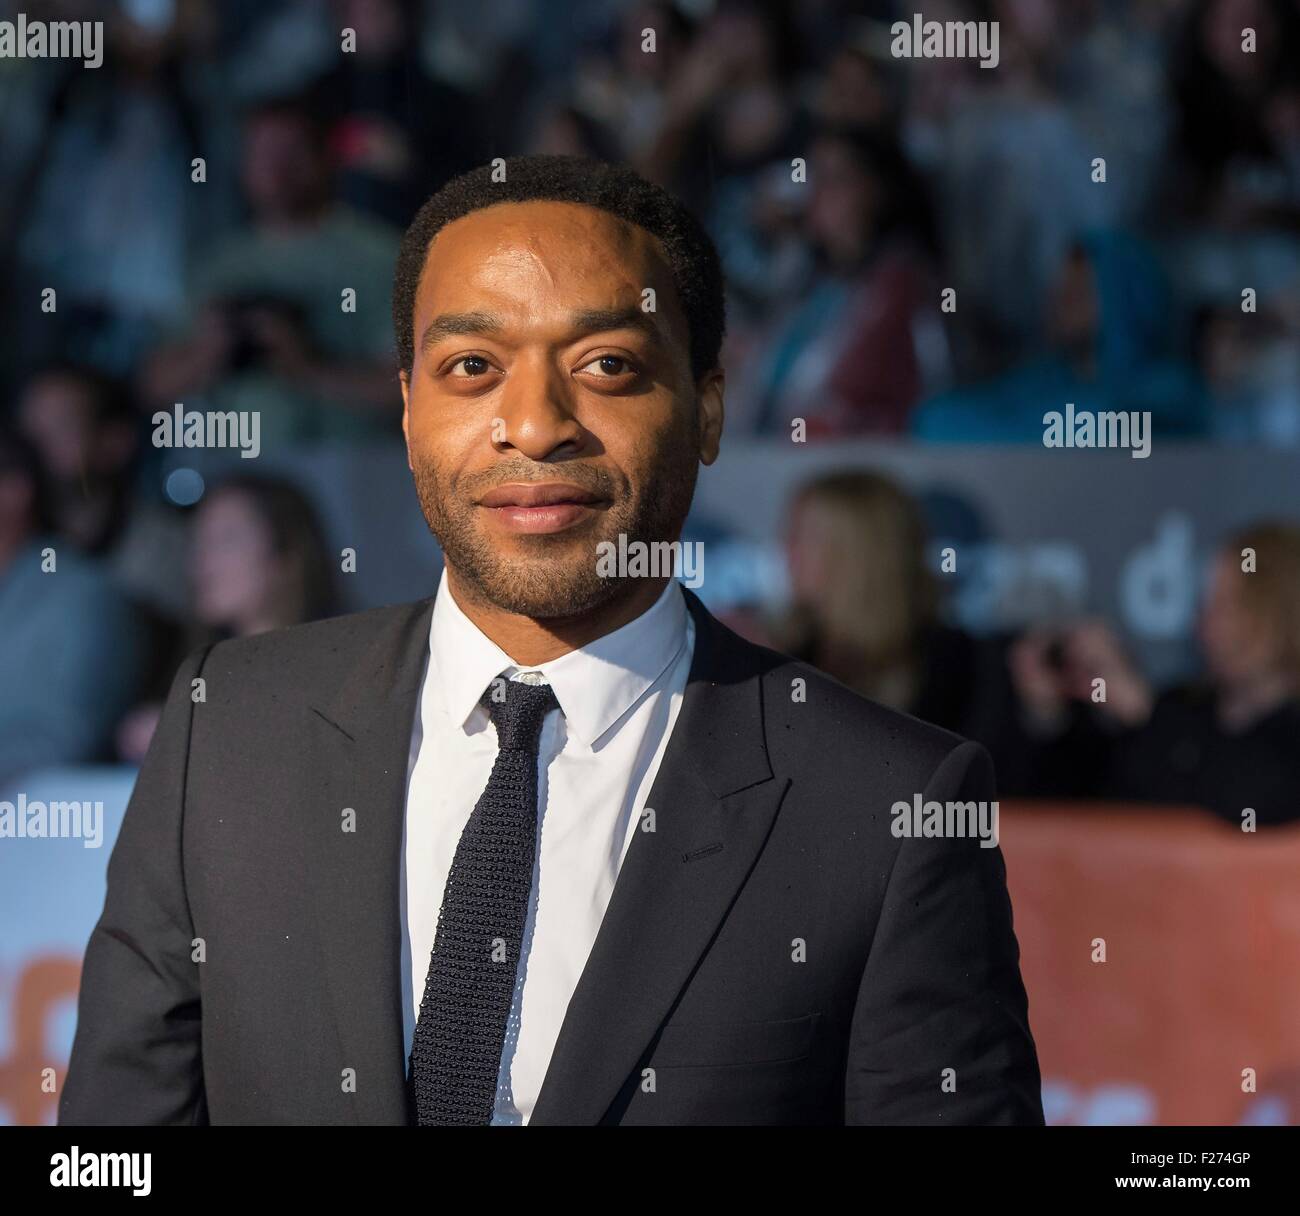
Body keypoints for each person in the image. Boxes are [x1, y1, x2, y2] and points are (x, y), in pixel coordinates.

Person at [60, 154, 1042, 1127]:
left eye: (606, 365)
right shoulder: (228, 726)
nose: (532, 425)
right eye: (471, 367)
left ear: (706, 409)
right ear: (407, 413)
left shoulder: (888, 806)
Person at [1010, 521, 1300, 825]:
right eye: (1207, 603)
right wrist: (1047, 717)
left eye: (1228, 605)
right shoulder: (1180, 709)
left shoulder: (1170, 724)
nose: (1207, 622)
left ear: (1281, 612)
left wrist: (1144, 711)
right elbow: (1068, 818)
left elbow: (1249, 807)